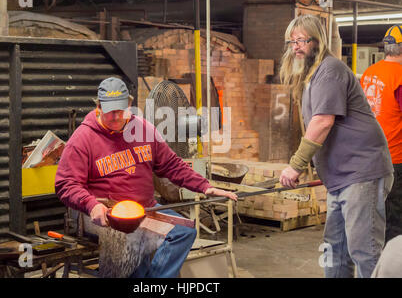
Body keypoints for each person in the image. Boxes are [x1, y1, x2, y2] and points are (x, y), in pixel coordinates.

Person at [55, 77, 237, 278]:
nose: (116, 117)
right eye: (110, 111)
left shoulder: (143, 129)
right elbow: (65, 184)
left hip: (145, 209)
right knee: (133, 244)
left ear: (130, 105)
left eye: (120, 110)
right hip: (105, 212)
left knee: (184, 232)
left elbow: (171, 164)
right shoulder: (83, 138)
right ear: (98, 107)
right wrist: (91, 205)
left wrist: (204, 187)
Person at [278, 15, 393, 278]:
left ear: (317, 41)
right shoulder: (310, 77)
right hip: (340, 179)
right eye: (291, 41)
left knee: (365, 250)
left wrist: (295, 165)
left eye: (302, 40)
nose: (296, 47)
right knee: (334, 251)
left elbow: (321, 123)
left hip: (361, 172)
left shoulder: (330, 70)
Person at [360, 25, 402, 244]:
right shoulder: (400, 76)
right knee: (395, 218)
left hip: (369, 157)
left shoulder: (369, 72)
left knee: (375, 213)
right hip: (395, 159)